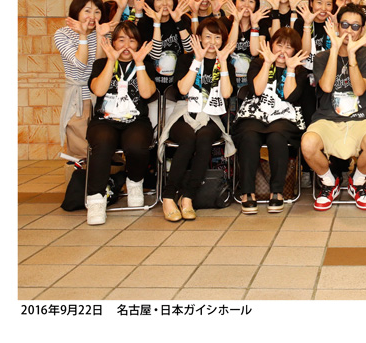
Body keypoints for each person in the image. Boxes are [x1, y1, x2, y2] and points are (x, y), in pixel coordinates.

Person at [301, 3, 366, 211]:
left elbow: (359, 89)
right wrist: (335, 50)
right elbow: (327, 86)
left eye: (355, 26)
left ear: (362, 30)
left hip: (362, 118)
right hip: (328, 119)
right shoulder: (321, 57)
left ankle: (358, 182)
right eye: (345, 24)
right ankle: (330, 183)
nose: (349, 30)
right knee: (308, 144)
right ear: (337, 26)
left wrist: (352, 55)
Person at [158, 18, 236, 222]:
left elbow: (226, 94)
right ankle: (168, 196)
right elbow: (183, 89)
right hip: (185, 112)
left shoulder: (226, 63)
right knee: (187, 139)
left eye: (217, 37)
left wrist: (223, 63)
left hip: (211, 116)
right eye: (208, 36)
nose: (212, 42)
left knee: (203, 139)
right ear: (199, 38)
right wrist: (197, 60)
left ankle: (188, 197)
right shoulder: (186, 60)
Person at [84, 22, 157, 225]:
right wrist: (111, 60)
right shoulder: (101, 64)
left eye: (132, 40)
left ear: (138, 44)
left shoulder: (146, 65)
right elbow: (99, 90)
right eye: (121, 40)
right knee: (103, 143)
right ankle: (96, 199)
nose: (126, 45)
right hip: (104, 120)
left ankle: (134, 182)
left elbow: (146, 94)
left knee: (137, 144)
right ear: (113, 43)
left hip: (136, 120)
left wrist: (139, 63)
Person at [232, 28, 310, 213]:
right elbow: (257, 91)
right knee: (249, 136)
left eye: (288, 47)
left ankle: (277, 192)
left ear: (295, 50)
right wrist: (267, 63)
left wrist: (290, 69)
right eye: (279, 45)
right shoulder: (257, 64)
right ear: (271, 45)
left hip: (284, 117)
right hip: (255, 114)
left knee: (277, 137)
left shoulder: (300, 71)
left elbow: (290, 97)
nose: (282, 51)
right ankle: (247, 192)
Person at [54, 0, 113, 161]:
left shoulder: (103, 32)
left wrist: (100, 35)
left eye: (97, 12)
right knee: (81, 149)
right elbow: (80, 63)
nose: (92, 16)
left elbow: (98, 65)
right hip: (79, 97)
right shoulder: (63, 34)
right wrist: (82, 35)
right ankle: (81, 176)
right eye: (87, 11)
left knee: (103, 146)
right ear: (77, 11)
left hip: (101, 95)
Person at [138, 0, 193, 92]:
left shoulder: (183, 19)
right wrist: (156, 23)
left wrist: (178, 21)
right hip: (152, 83)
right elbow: (155, 55)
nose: (164, 3)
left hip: (176, 83)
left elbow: (190, 48)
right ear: (151, 1)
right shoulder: (144, 23)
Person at [222, 0, 270, 89]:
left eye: (251, 1)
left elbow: (255, 52)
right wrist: (236, 21)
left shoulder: (261, 23)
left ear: (256, 5)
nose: (246, 5)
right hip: (228, 80)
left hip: (253, 81)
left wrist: (254, 25)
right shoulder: (225, 22)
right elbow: (229, 49)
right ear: (235, 2)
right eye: (242, 0)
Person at [297, 0, 337, 86]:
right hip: (304, 75)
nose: (323, 8)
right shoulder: (300, 22)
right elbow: (304, 54)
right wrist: (307, 24)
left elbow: (337, 52)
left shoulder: (333, 23)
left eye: (328, 4)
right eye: (319, 3)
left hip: (328, 75)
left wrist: (336, 27)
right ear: (311, 3)